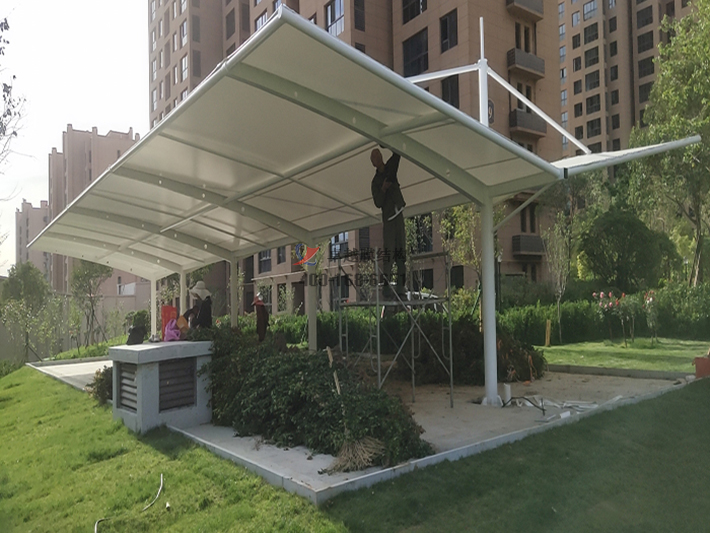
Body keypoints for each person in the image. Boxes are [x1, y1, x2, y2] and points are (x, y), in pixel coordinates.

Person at [370, 148, 407, 296]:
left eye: (378, 154)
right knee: (389, 254)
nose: (378, 158)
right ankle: (386, 288)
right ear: (373, 163)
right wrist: (383, 189)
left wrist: (386, 145)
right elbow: (378, 202)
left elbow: (397, 153)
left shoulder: (390, 168)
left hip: (398, 213)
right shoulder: (375, 182)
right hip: (389, 219)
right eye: (374, 157)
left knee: (401, 253)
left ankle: (401, 288)